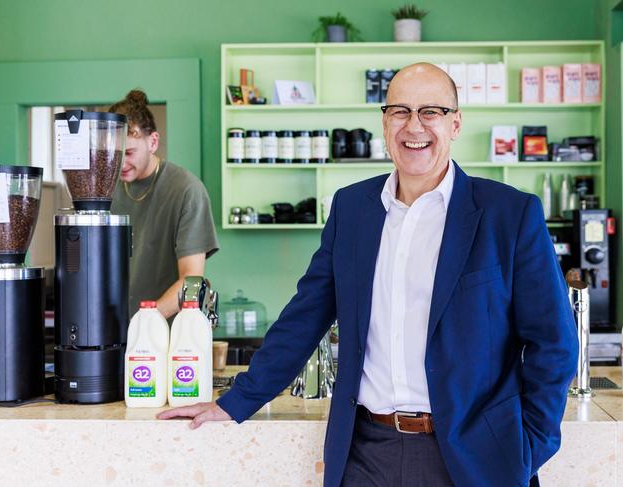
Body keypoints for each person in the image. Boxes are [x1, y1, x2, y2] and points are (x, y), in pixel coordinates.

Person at [158, 64, 578, 487]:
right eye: (400, 111)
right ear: (384, 121)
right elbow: (305, 317)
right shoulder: (352, 209)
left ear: (455, 123)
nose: (414, 126)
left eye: (431, 111)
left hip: (474, 461)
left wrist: (528, 447)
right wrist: (237, 401)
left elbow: (553, 343)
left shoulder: (509, 214)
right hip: (365, 456)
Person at [110, 90, 219, 319]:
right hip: (114, 334)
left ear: (153, 142)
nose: (121, 163)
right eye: (114, 154)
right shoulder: (105, 190)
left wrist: (146, 321)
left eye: (129, 153)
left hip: (169, 337)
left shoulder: (186, 190)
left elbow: (192, 281)